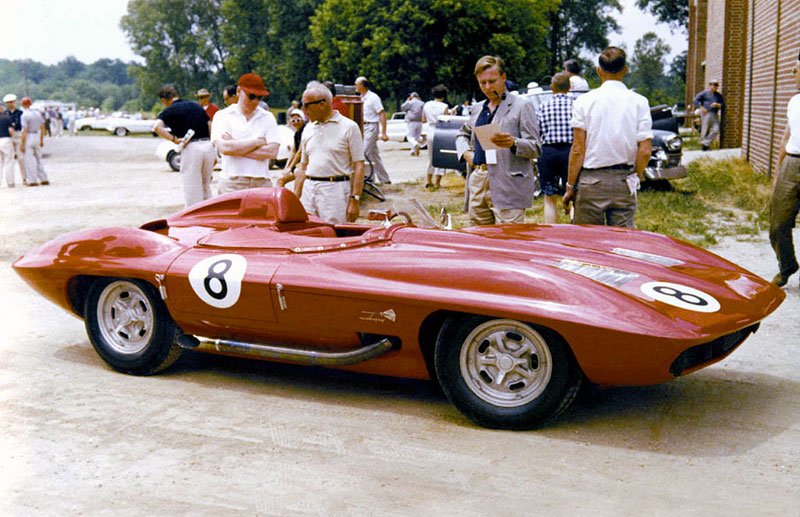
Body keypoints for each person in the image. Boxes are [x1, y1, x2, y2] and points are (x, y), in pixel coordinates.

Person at [562, 47, 653, 228]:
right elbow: (645, 150)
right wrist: (635, 175)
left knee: (588, 244)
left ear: (598, 71)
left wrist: (570, 186)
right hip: (623, 180)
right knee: (623, 244)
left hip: (591, 181)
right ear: (625, 69)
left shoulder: (583, 101)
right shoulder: (640, 102)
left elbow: (578, 149)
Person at [456, 55, 541, 225]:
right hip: (479, 180)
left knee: (509, 242)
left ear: (503, 77)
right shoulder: (477, 108)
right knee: (480, 240)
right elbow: (461, 135)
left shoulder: (521, 106)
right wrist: (466, 153)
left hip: (508, 183)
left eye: (492, 81)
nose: (487, 87)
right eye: (482, 83)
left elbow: (536, 147)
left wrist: (514, 143)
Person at [295, 81, 365, 224]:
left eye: (307, 105)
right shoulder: (308, 128)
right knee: (307, 231)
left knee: (334, 233)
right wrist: (296, 197)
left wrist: (355, 199)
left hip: (335, 191)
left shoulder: (349, 127)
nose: (303, 110)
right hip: (309, 189)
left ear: (322, 103)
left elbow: (359, 165)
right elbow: (303, 166)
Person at [211, 72, 280, 194]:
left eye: (259, 97)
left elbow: (272, 152)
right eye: (251, 96)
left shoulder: (267, 117)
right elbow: (225, 148)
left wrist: (236, 145)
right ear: (238, 91)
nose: (255, 101)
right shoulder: (222, 116)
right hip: (232, 182)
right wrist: (258, 142)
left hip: (262, 182)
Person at [153, 85, 216, 207]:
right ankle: (209, 216)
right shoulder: (196, 106)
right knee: (206, 186)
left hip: (191, 147)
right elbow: (210, 124)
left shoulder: (169, 110)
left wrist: (174, 139)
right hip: (208, 146)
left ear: (163, 100)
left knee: (192, 189)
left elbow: (157, 127)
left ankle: (194, 221)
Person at [768, 54, 800, 288]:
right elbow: (786, 137)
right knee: (778, 224)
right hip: (792, 163)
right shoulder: (794, 102)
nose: (793, 75)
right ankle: (787, 265)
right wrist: (778, 170)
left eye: (795, 70)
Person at [536, 72, 574, 223]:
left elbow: (537, 132)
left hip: (548, 154)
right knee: (574, 194)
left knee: (549, 197)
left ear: (552, 87)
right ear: (569, 87)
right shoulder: (576, 105)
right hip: (571, 153)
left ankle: (551, 231)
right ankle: (575, 227)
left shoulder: (542, 107)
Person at [355, 76, 391, 184]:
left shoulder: (373, 98)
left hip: (371, 126)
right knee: (374, 155)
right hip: (364, 126)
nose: (355, 87)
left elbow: (382, 114)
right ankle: (385, 179)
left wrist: (384, 132)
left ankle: (368, 178)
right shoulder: (360, 97)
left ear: (362, 85)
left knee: (365, 152)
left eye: (356, 84)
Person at [423, 84, 450, 189]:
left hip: (430, 131)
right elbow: (446, 120)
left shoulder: (427, 105)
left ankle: (428, 180)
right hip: (440, 131)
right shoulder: (444, 106)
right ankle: (437, 182)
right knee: (441, 157)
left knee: (430, 157)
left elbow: (423, 119)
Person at [19, 97, 48, 186]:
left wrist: (22, 144)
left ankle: (32, 180)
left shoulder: (24, 115)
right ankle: (43, 178)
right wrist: (41, 140)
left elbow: (25, 131)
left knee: (29, 159)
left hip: (29, 136)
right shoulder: (38, 113)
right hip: (37, 135)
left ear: (23, 104)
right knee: (38, 158)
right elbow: (43, 127)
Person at [277, 108, 306, 187]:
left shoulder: (305, 131)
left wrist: (290, 168)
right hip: (299, 164)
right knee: (281, 179)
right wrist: (286, 167)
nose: (295, 123)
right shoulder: (296, 133)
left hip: (305, 165)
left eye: (298, 120)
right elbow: (293, 152)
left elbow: (299, 152)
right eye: (293, 121)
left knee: (281, 180)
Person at [693, 80, 724, 151]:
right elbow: (695, 100)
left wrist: (717, 104)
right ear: (710, 85)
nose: (715, 87)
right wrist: (701, 107)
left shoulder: (718, 95)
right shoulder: (704, 94)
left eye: (716, 85)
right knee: (705, 129)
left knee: (716, 129)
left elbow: (722, 104)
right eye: (713, 85)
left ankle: (705, 143)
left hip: (714, 113)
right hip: (705, 113)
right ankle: (704, 147)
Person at [4, 94, 25, 185]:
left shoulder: (20, 113)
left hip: (18, 134)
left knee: (21, 157)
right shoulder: (4, 113)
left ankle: (24, 177)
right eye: (8, 102)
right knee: (10, 158)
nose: (10, 104)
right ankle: (10, 181)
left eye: (11, 102)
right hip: (8, 135)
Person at [401, 92, 425, 156]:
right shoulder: (422, 103)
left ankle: (415, 144)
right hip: (420, 122)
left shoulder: (410, 102)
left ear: (411, 96)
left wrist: (407, 100)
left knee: (410, 136)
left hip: (411, 121)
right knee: (417, 136)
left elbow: (402, 108)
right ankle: (413, 151)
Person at [0, 106, 16, 188]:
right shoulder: (7, 118)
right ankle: (10, 182)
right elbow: (11, 131)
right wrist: (13, 141)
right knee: (8, 162)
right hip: (6, 140)